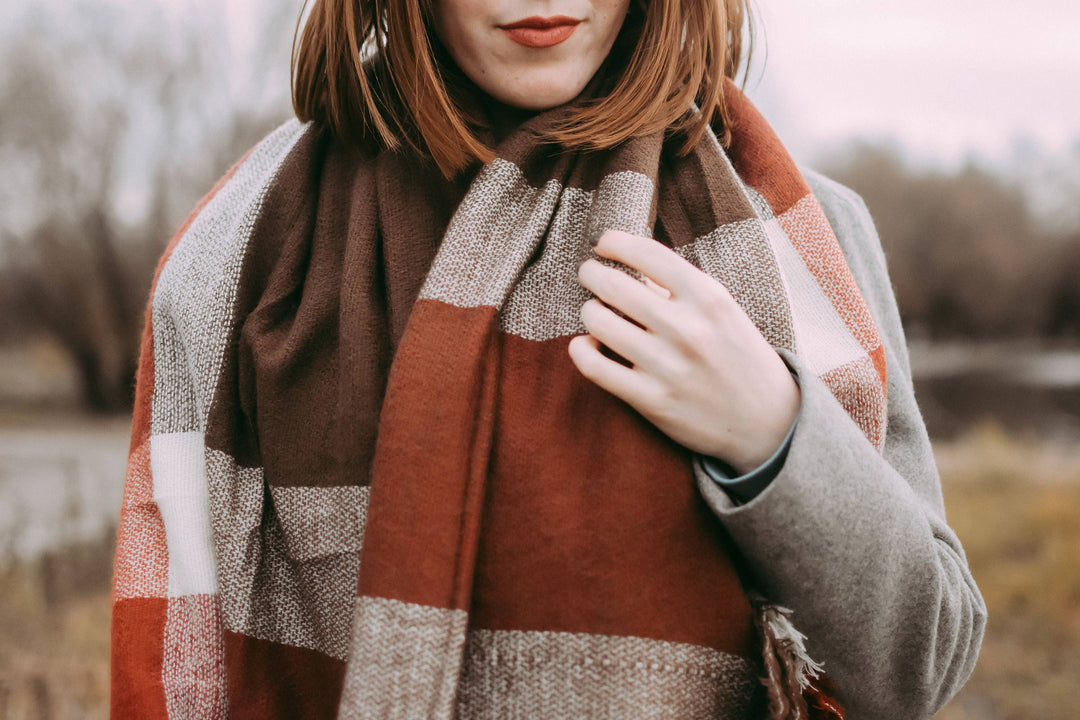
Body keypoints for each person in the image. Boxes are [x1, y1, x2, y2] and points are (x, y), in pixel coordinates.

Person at [109, 0, 986, 717]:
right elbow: (179, 668)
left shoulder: (801, 240)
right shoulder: (244, 257)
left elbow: (920, 664)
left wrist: (772, 433)